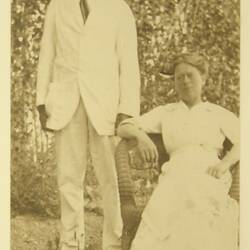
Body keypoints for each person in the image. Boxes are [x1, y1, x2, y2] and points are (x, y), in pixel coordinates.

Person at [36, 0, 140, 249]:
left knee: (110, 178)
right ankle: (70, 242)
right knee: (68, 177)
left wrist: (126, 110)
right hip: (66, 100)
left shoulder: (118, 8)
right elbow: (47, 53)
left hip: (105, 104)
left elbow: (129, 63)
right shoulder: (58, 6)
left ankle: (114, 242)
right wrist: (41, 100)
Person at [117, 52, 239, 250]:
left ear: (204, 78)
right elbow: (123, 126)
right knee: (168, 209)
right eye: (179, 77)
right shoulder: (167, 112)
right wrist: (142, 137)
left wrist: (225, 164)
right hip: (176, 172)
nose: (185, 81)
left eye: (190, 75)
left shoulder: (216, 113)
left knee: (200, 209)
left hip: (209, 172)